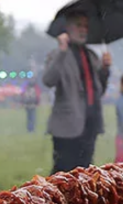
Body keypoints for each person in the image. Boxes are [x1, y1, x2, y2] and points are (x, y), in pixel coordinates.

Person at [43, 11, 112, 173]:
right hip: (67, 126)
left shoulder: (92, 56)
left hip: (90, 123)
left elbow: (98, 91)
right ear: (67, 28)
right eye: (79, 25)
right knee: (63, 173)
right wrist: (62, 51)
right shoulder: (58, 54)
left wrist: (104, 70)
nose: (83, 30)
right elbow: (48, 80)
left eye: (86, 26)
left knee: (85, 172)